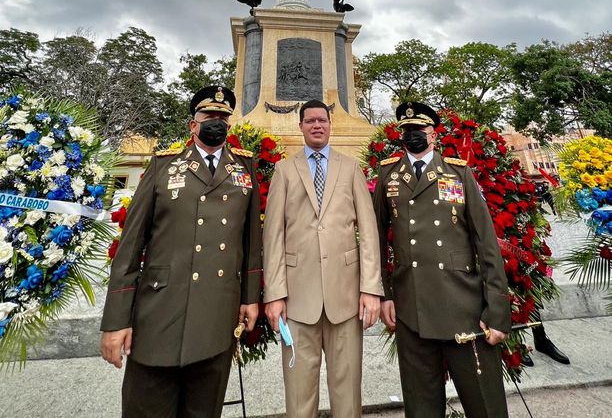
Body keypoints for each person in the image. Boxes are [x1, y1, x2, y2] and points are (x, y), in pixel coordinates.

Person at [100, 86, 262, 418]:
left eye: (222, 118)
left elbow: (251, 242)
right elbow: (130, 245)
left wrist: (249, 298)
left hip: (216, 314)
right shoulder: (164, 165)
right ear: (193, 125)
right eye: (208, 117)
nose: (216, 122)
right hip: (160, 313)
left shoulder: (245, 168)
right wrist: (116, 320)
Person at [374, 101, 511, 418]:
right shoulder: (388, 174)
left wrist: (497, 311)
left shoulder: (457, 171)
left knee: (485, 405)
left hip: (462, 306)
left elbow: (486, 243)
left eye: (419, 130)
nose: (413, 135)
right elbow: (376, 241)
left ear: (433, 134)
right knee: (421, 407)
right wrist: (385, 295)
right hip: (412, 309)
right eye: (407, 130)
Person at [263, 99, 383, 418]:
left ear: (331, 125)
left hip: (344, 297)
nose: (317, 125)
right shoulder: (284, 170)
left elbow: (368, 232)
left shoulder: (350, 167)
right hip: (299, 300)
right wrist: (275, 294)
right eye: (310, 120)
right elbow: (273, 236)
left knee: (347, 393)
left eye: (323, 120)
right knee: (300, 395)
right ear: (300, 126)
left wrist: (370, 289)